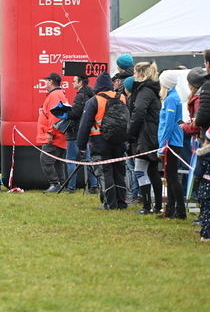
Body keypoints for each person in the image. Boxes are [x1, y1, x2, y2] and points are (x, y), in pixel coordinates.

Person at [76, 72, 128, 210]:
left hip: (100, 141)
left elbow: (85, 124)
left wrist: (81, 145)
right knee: (119, 172)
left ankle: (109, 204)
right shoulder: (122, 97)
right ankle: (121, 202)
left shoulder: (95, 100)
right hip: (119, 141)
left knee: (105, 173)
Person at [127, 62, 162, 214]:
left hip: (145, 135)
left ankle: (147, 205)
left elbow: (139, 112)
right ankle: (157, 205)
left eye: (135, 73)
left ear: (141, 74)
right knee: (152, 170)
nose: (133, 76)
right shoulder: (151, 90)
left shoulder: (144, 91)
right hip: (151, 133)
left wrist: (131, 132)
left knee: (140, 170)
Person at [157, 69, 186, 219]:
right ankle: (171, 209)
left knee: (172, 177)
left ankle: (180, 211)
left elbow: (168, 124)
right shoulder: (173, 97)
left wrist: (162, 146)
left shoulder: (170, 99)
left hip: (171, 143)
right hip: (173, 142)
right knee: (170, 177)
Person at [64, 75, 96, 193]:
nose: (72, 83)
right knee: (88, 160)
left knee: (71, 159)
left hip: (76, 132)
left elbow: (75, 114)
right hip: (87, 131)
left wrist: (66, 112)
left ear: (81, 82)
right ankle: (94, 186)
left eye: (74, 81)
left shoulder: (79, 97)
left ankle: (71, 187)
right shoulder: (91, 96)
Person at [37, 73, 67, 193]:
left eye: (47, 80)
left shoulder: (54, 95)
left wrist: (50, 133)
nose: (45, 83)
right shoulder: (58, 94)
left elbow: (55, 116)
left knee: (45, 160)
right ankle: (61, 185)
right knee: (58, 162)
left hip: (54, 136)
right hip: (59, 134)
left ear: (51, 82)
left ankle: (55, 184)